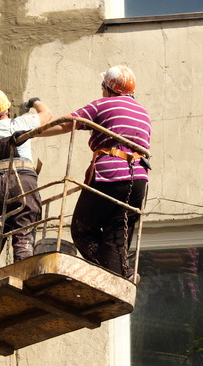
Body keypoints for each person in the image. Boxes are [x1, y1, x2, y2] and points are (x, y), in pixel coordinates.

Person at [33, 65, 151, 282]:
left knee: (82, 229)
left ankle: (108, 271)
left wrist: (32, 134)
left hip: (110, 175)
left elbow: (66, 123)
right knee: (115, 238)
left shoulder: (103, 104)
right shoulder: (143, 113)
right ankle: (120, 274)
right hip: (138, 181)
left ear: (107, 87)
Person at [0, 89, 52, 273]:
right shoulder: (21, 122)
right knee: (23, 233)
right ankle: (23, 276)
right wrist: (34, 101)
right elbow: (47, 115)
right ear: (7, 109)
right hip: (22, 181)